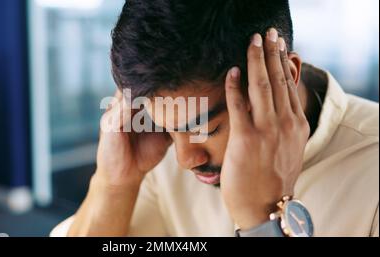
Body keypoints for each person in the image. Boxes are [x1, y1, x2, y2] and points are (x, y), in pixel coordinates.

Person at [52, 0, 379, 237]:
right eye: (166, 128)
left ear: (286, 75)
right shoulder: (157, 157)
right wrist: (114, 184)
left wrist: (262, 221)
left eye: (206, 128)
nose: (185, 159)